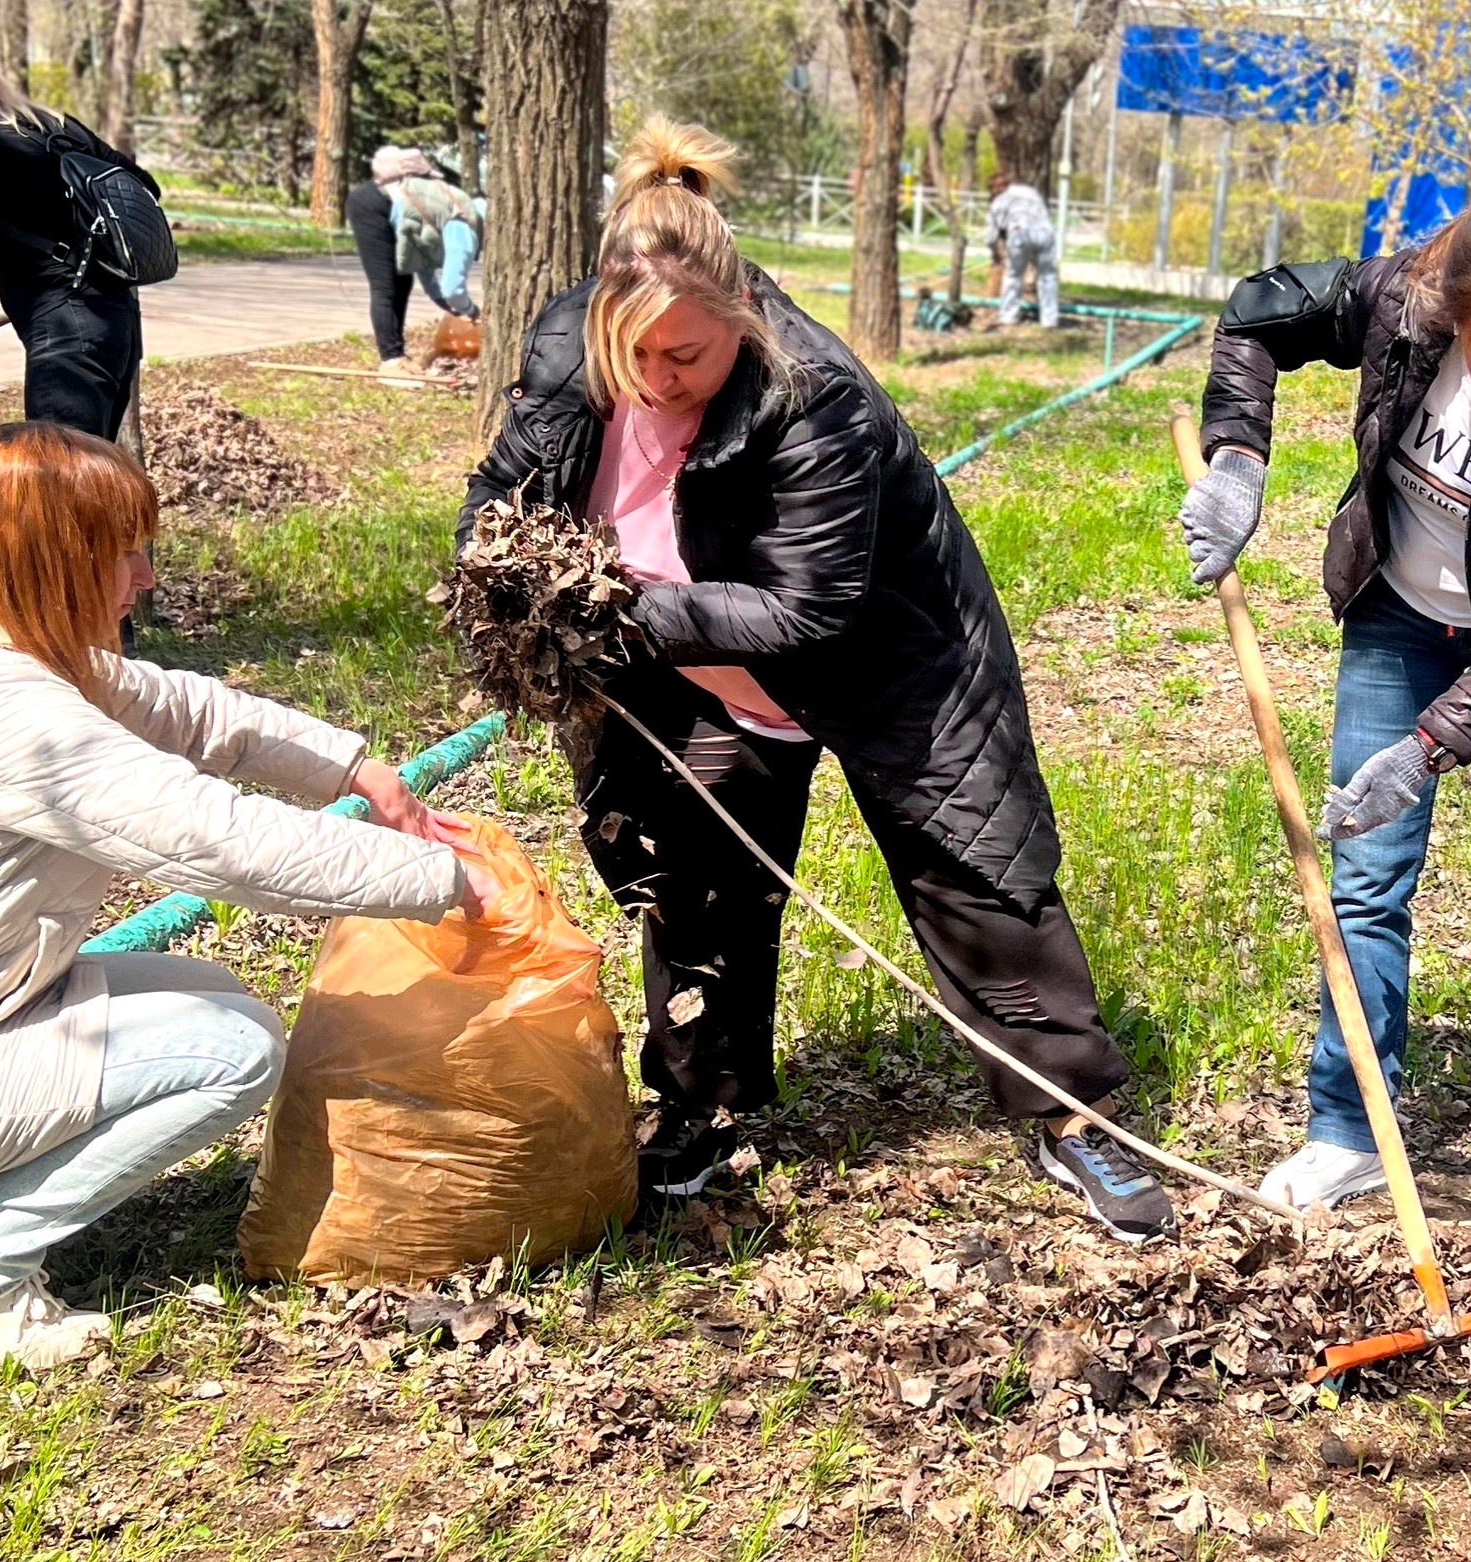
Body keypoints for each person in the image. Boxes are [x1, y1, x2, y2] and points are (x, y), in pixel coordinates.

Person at [461, 116, 1176, 1243]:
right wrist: (507, 571)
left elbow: (808, 607)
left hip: (893, 661)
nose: (659, 378)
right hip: (688, 666)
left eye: (686, 356)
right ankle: (704, 1107)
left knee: (977, 873)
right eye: (635, 355)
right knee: (695, 883)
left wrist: (612, 604)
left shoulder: (811, 395)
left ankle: (1075, 1115)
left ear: (739, 319)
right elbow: (502, 488)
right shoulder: (569, 350)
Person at [0, 423, 493, 1371]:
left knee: (204, 993)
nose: (145, 576)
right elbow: (220, 839)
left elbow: (192, 712)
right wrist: (444, 881)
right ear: (58, 560)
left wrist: (358, 767)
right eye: (125, 550)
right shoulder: (8, 716)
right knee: (234, 1051)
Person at [1179, 191, 1471, 1264]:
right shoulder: (1403, 296)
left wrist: (1430, 744)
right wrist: (1237, 457)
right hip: (1399, 615)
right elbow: (1258, 311)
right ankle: (1348, 1130)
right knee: (1364, 877)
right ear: (1451, 311)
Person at [0, 28, 153, 443]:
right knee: (96, 470)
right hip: (117, 319)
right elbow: (143, 185)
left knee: (61, 476)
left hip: (65, 330)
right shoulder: (53, 125)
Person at [380, 146, 483, 320]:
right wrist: (464, 306)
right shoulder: (452, 200)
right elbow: (451, 289)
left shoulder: (402, 203)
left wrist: (466, 308)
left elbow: (417, 256)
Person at [346, 156, 418, 385]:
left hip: (396, 207)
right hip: (371, 205)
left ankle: (399, 354)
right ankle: (391, 362)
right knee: (385, 285)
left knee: (404, 280)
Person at [987, 173, 1059, 330]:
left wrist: (994, 254)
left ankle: (1008, 316)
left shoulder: (999, 201)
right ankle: (1049, 320)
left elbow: (993, 235)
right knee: (1048, 277)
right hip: (1045, 233)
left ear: (996, 188)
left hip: (1019, 234)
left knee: (1013, 276)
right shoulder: (1029, 191)